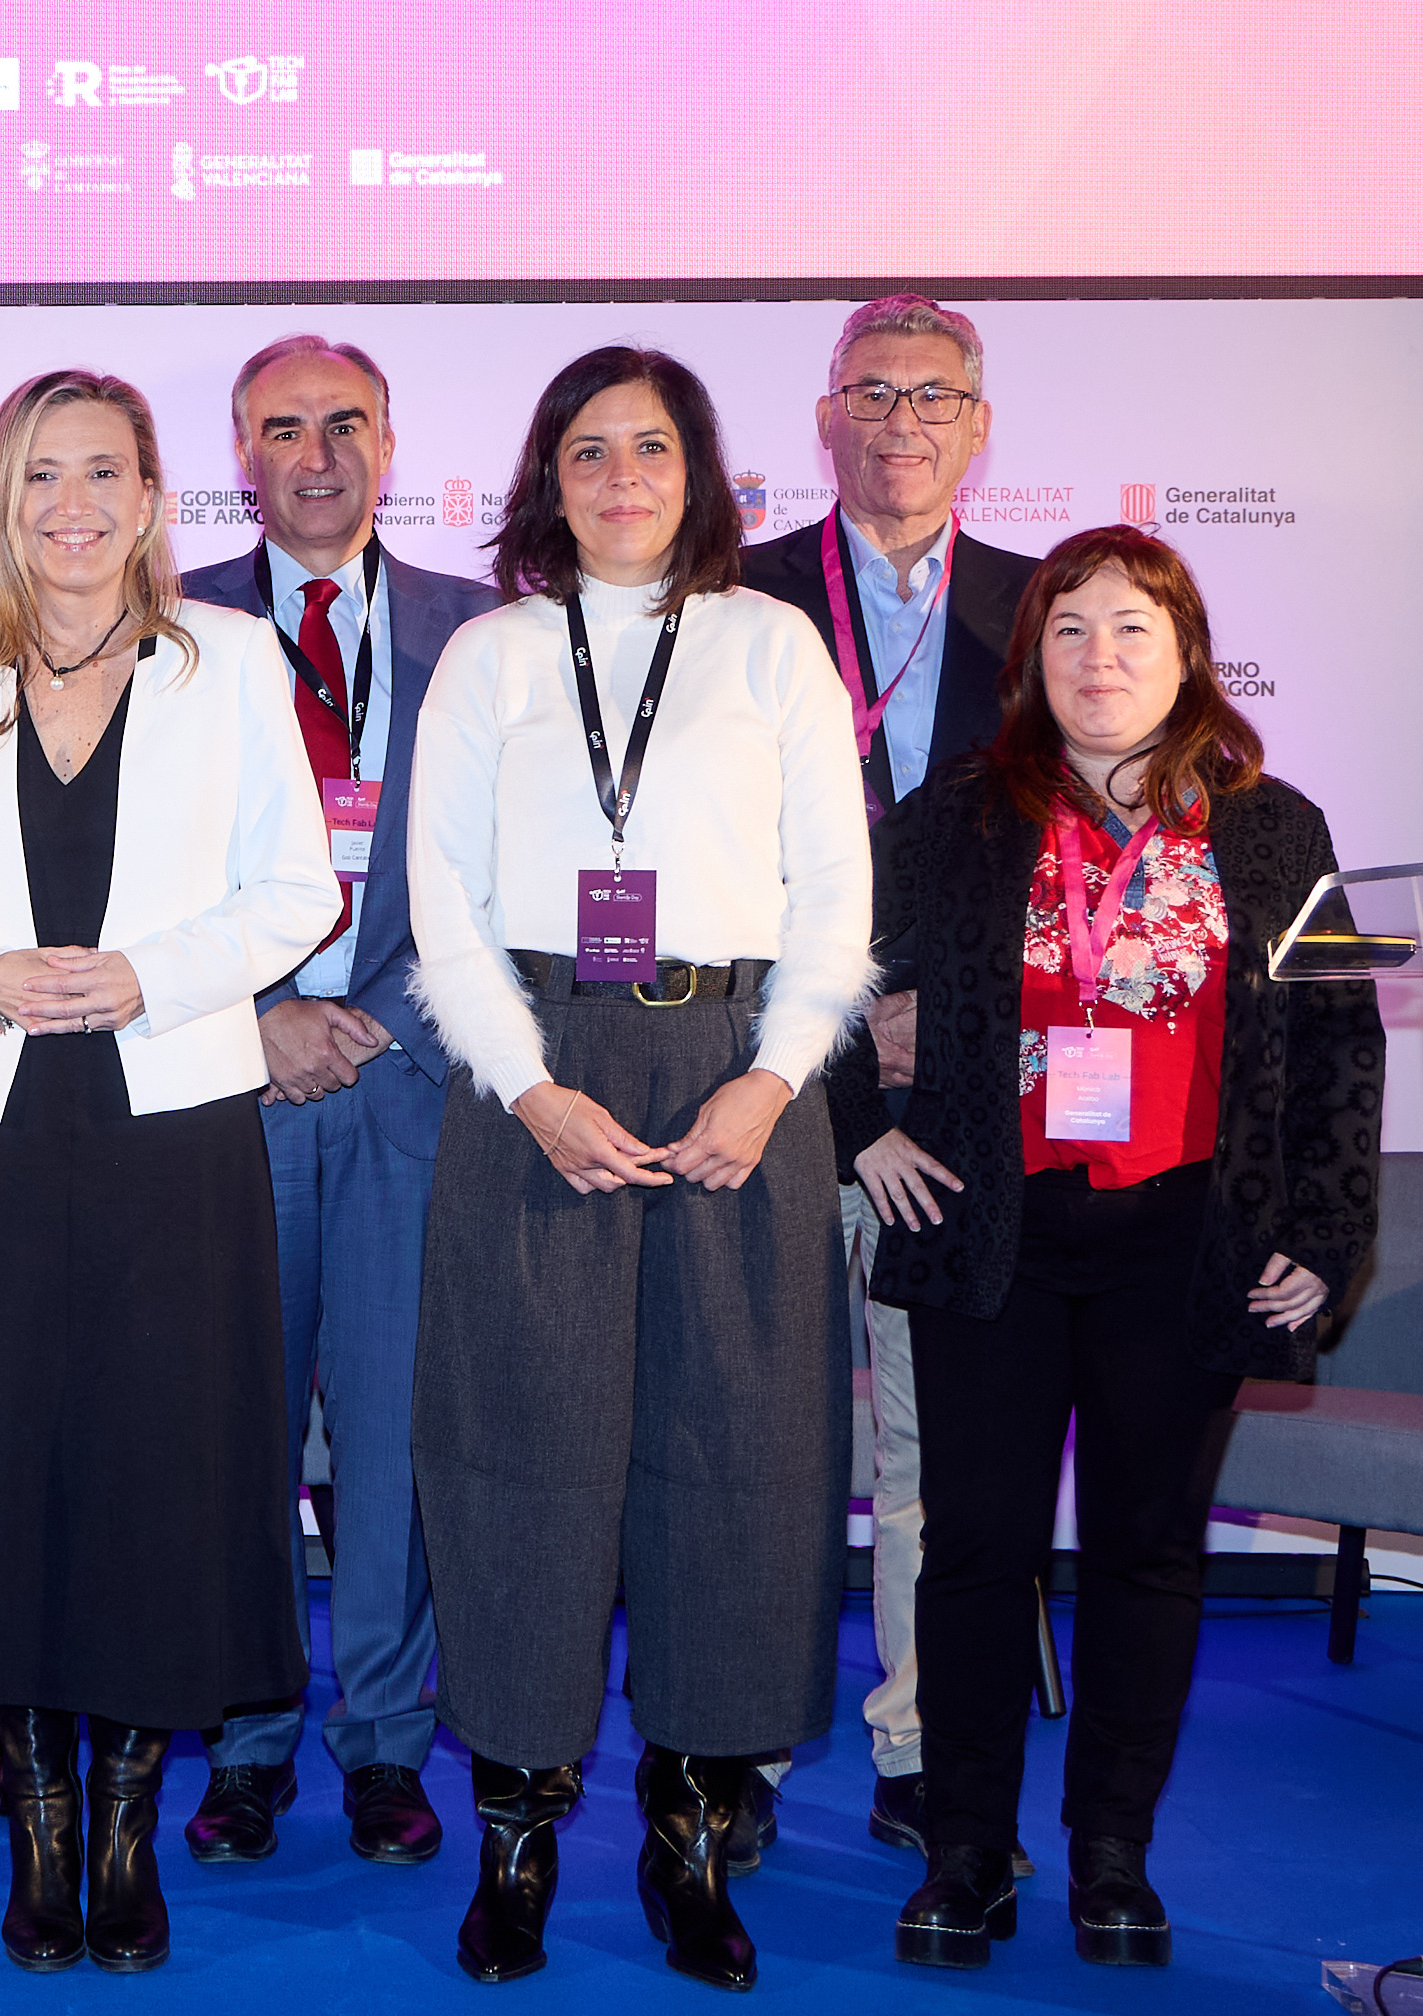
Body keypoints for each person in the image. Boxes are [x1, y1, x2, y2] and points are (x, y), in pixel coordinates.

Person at [833, 526, 1382, 1973]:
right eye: (1068, 632)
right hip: (989, 1235)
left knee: (1149, 1556)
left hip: (1188, 1242)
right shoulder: (952, 814)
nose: (1100, 661)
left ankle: (1112, 1860)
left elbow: (1341, 1041)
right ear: (1031, 663)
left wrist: (1326, 1232)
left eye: (1132, 628)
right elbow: (831, 978)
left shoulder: (1283, 829)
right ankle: (964, 1856)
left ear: (1187, 647)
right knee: (973, 1554)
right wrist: (857, 1131)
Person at [405, 345, 870, 1992]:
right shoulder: (490, 655)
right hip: (539, 1082)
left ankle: (692, 1839)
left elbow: (837, 899)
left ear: (700, 472)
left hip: (739, 1082)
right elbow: (440, 909)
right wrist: (528, 1090)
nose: (621, 477)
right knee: (519, 1460)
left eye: (652, 448)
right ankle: (517, 1839)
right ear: (547, 476)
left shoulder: (770, 645)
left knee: (737, 1460)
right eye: (589, 450)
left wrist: (769, 1083)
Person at [0, 369, 338, 1974]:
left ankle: (130, 1826)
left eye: (103, 477)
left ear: (151, 500)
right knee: (0, 1465)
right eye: (39, 479)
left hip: (173, 1119)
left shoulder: (233, 664)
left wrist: (149, 974)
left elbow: (298, 892)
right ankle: (40, 1823)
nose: (70, 509)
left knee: (160, 1469)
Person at [177, 334, 496, 1870]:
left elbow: (505, 885)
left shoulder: (483, 634)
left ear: (392, 440)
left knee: (392, 1440)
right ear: (240, 454)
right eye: (281, 429)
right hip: (221, 1089)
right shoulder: (167, 631)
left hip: (409, 1082)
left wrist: (367, 1015)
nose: (315, 454)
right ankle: (243, 1737)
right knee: (231, 1432)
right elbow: (130, 877)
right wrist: (253, 1016)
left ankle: (382, 1743)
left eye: (345, 424)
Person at [738, 293, 1040, 1864]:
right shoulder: (743, 594)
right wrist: (855, 1047)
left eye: (937, 396)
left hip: (970, 1098)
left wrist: (953, 1031)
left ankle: (915, 1741)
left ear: (981, 427)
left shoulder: (1049, 605)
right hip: (785, 1087)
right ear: (827, 416)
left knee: (931, 1448)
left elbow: (1069, 866)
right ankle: (747, 1738)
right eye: (874, 390)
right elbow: (713, 862)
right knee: (771, 1434)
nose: (904, 421)